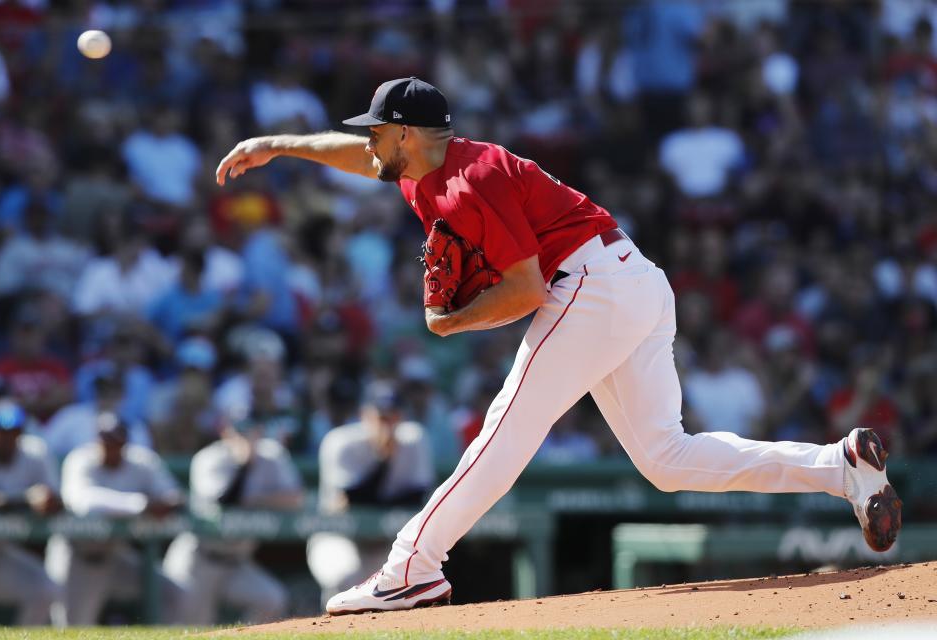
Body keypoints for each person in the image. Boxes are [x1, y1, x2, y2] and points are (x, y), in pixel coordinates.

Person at [215, 77, 902, 614]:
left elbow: (525, 291)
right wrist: (279, 144)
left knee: (506, 432)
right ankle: (840, 468)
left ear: (404, 133)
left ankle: (408, 569)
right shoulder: (427, 166)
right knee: (666, 457)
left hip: (588, 285)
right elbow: (355, 158)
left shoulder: (469, 180)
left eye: (376, 132)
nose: (367, 142)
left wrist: (452, 323)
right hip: (632, 279)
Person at [45, 412, 185, 626]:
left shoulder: (140, 460)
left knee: (173, 594)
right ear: (96, 439)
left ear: (124, 442)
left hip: (115, 555)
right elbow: (85, 502)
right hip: (75, 555)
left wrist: (166, 502)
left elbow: (172, 495)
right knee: (72, 629)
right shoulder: (81, 459)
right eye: (105, 440)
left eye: (115, 441)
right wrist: (142, 505)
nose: (110, 446)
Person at [162, 419, 303, 624]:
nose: (246, 438)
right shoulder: (210, 458)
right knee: (191, 628)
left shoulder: (272, 455)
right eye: (239, 431)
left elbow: (296, 498)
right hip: (198, 560)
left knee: (271, 599)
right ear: (225, 432)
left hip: (237, 562)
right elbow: (223, 504)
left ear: (260, 431)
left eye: (251, 430)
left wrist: (257, 499)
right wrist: (243, 465)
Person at [307, 381, 433, 608]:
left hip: (386, 538)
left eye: (392, 416)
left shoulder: (414, 439)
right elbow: (356, 501)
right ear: (364, 415)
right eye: (380, 416)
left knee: (409, 578)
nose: (387, 424)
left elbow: (417, 498)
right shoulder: (341, 442)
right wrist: (383, 459)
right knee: (345, 575)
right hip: (338, 535)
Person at [0, 399, 62, 626]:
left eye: (13, 433)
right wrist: (21, 499)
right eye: (1, 432)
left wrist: (46, 500)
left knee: (44, 590)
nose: (7, 439)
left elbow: (53, 498)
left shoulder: (34, 451)